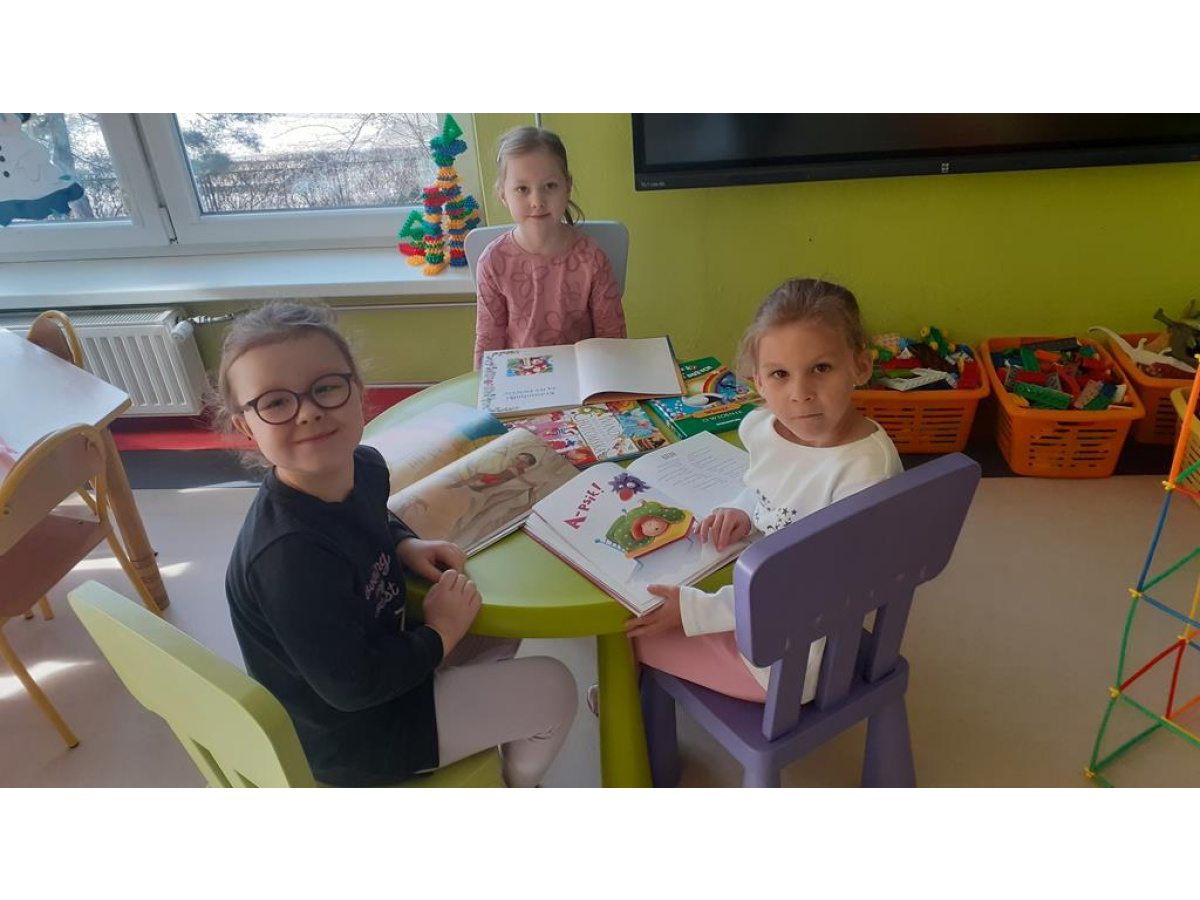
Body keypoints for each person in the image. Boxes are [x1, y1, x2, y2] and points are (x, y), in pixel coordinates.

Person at [217, 301, 577, 786]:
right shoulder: (287, 557)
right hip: (357, 734)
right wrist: (439, 635)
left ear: (358, 391)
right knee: (554, 688)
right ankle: (515, 785)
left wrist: (405, 544)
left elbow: (369, 517)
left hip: (386, 661)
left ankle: (470, 707)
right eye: (276, 403)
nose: (309, 412)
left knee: (490, 611)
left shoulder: (363, 466)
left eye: (327, 387)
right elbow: (352, 687)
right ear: (246, 426)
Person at [623, 278, 903, 706]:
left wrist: (694, 611)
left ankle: (625, 715)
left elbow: (806, 589)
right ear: (757, 381)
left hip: (788, 658)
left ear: (860, 367)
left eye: (821, 368)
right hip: (763, 596)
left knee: (624, 632)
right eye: (779, 375)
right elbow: (766, 483)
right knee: (649, 592)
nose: (800, 394)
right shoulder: (764, 427)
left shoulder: (865, 472)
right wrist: (743, 509)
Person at [473, 126, 626, 368]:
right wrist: (484, 387)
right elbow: (489, 342)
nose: (537, 201)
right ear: (503, 195)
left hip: (582, 377)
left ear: (567, 186)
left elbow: (612, 337)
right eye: (522, 189)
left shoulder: (591, 258)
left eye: (550, 186)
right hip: (520, 378)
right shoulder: (492, 261)